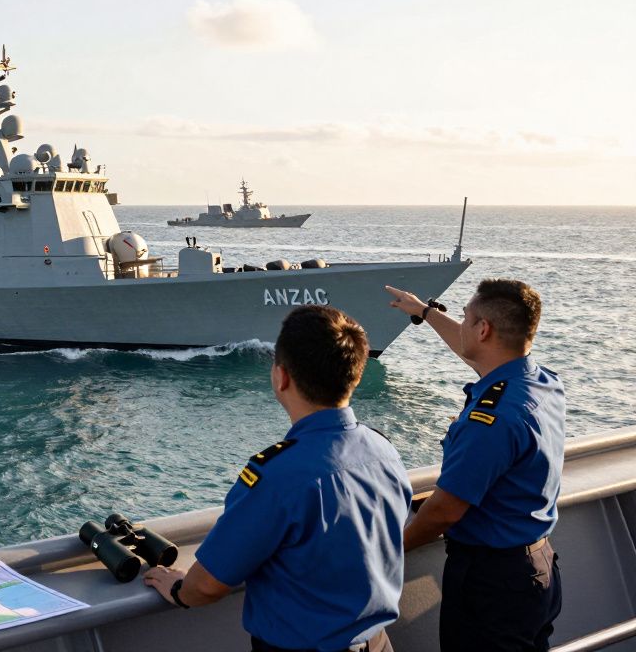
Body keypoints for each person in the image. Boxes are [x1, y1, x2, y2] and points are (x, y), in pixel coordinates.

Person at [144, 305, 411, 652]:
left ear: (281, 377)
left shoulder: (277, 475)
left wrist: (180, 590)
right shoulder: (383, 450)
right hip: (377, 642)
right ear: (355, 376)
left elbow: (208, 585)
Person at [386, 279, 564, 651]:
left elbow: (445, 513)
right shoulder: (540, 382)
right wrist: (425, 312)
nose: (462, 324)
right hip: (537, 566)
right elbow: (475, 353)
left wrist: (390, 548)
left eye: (466, 318)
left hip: (493, 583)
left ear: (484, 329)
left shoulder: (492, 420)